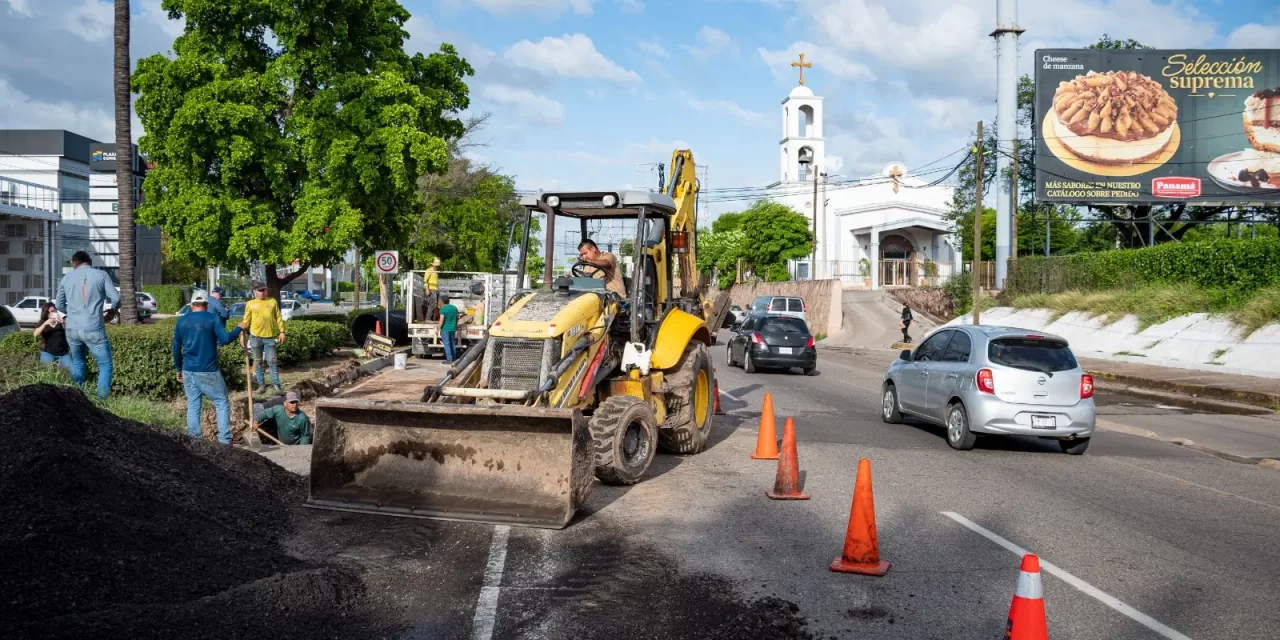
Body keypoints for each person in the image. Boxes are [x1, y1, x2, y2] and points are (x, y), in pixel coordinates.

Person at [173, 292, 246, 445]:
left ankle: (194, 439)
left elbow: (176, 347)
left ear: (192, 305)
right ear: (207, 305)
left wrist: (178, 368)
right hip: (208, 370)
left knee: (193, 404)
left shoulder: (181, 321)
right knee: (221, 402)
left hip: (188, 370)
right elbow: (225, 339)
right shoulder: (213, 319)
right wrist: (239, 328)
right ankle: (224, 441)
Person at [55, 250, 119, 398]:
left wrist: (70, 315)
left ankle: (77, 402)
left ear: (74, 263)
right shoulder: (101, 275)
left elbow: (59, 303)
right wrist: (111, 312)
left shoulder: (67, 278)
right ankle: (101, 402)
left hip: (72, 328)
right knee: (105, 365)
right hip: (93, 327)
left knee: (78, 363)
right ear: (89, 262)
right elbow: (115, 297)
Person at [240, 282, 286, 395]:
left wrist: (282, 331)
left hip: (269, 337)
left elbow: (278, 317)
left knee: (272, 361)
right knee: (258, 362)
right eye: (259, 290)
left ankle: (277, 385)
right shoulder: (250, 304)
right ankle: (261, 385)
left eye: (263, 290)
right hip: (255, 336)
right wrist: (242, 335)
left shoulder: (272, 302)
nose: (262, 292)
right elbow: (246, 320)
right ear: (254, 291)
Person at [33, 302, 71, 370]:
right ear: (46, 313)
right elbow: (35, 334)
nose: (52, 313)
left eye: (53, 311)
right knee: (47, 373)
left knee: (71, 370)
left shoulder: (61, 320)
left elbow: (70, 332)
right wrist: (45, 324)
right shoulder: (43, 322)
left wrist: (63, 323)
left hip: (63, 353)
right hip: (48, 352)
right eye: (49, 312)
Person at [438, 295, 459, 363]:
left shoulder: (443, 309)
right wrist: (455, 325)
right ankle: (453, 358)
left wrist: (438, 328)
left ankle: (449, 359)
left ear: (442, 301)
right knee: (452, 343)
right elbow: (457, 318)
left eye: (440, 300)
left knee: (446, 343)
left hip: (445, 329)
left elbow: (441, 320)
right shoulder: (454, 308)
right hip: (452, 328)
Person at [425, 256, 442, 321]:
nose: (438, 267)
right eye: (437, 265)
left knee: (438, 305)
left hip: (436, 289)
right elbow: (425, 280)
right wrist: (427, 289)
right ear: (434, 265)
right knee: (433, 304)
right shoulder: (429, 270)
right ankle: (428, 319)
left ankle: (434, 319)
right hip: (431, 289)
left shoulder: (436, 272)